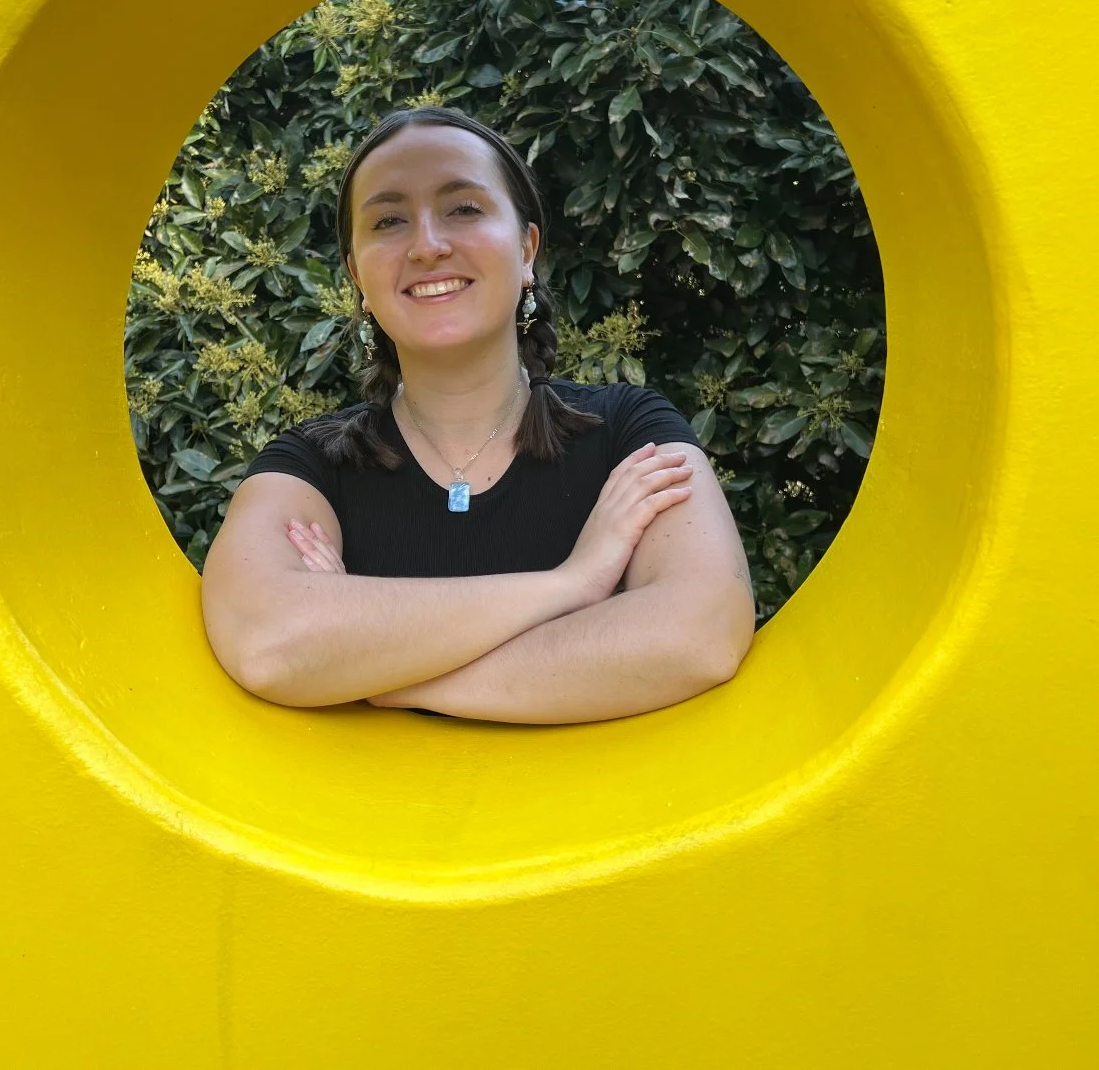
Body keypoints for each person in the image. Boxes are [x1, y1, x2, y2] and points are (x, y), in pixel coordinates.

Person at [201, 106, 755, 723]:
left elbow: (699, 635)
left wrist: (377, 674)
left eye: (463, 209)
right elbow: (269, 644)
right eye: (388, 220)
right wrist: (572, 584)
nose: (427, 245)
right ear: (358, 274)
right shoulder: (310, 464)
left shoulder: (630, 433)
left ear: (526, 249)